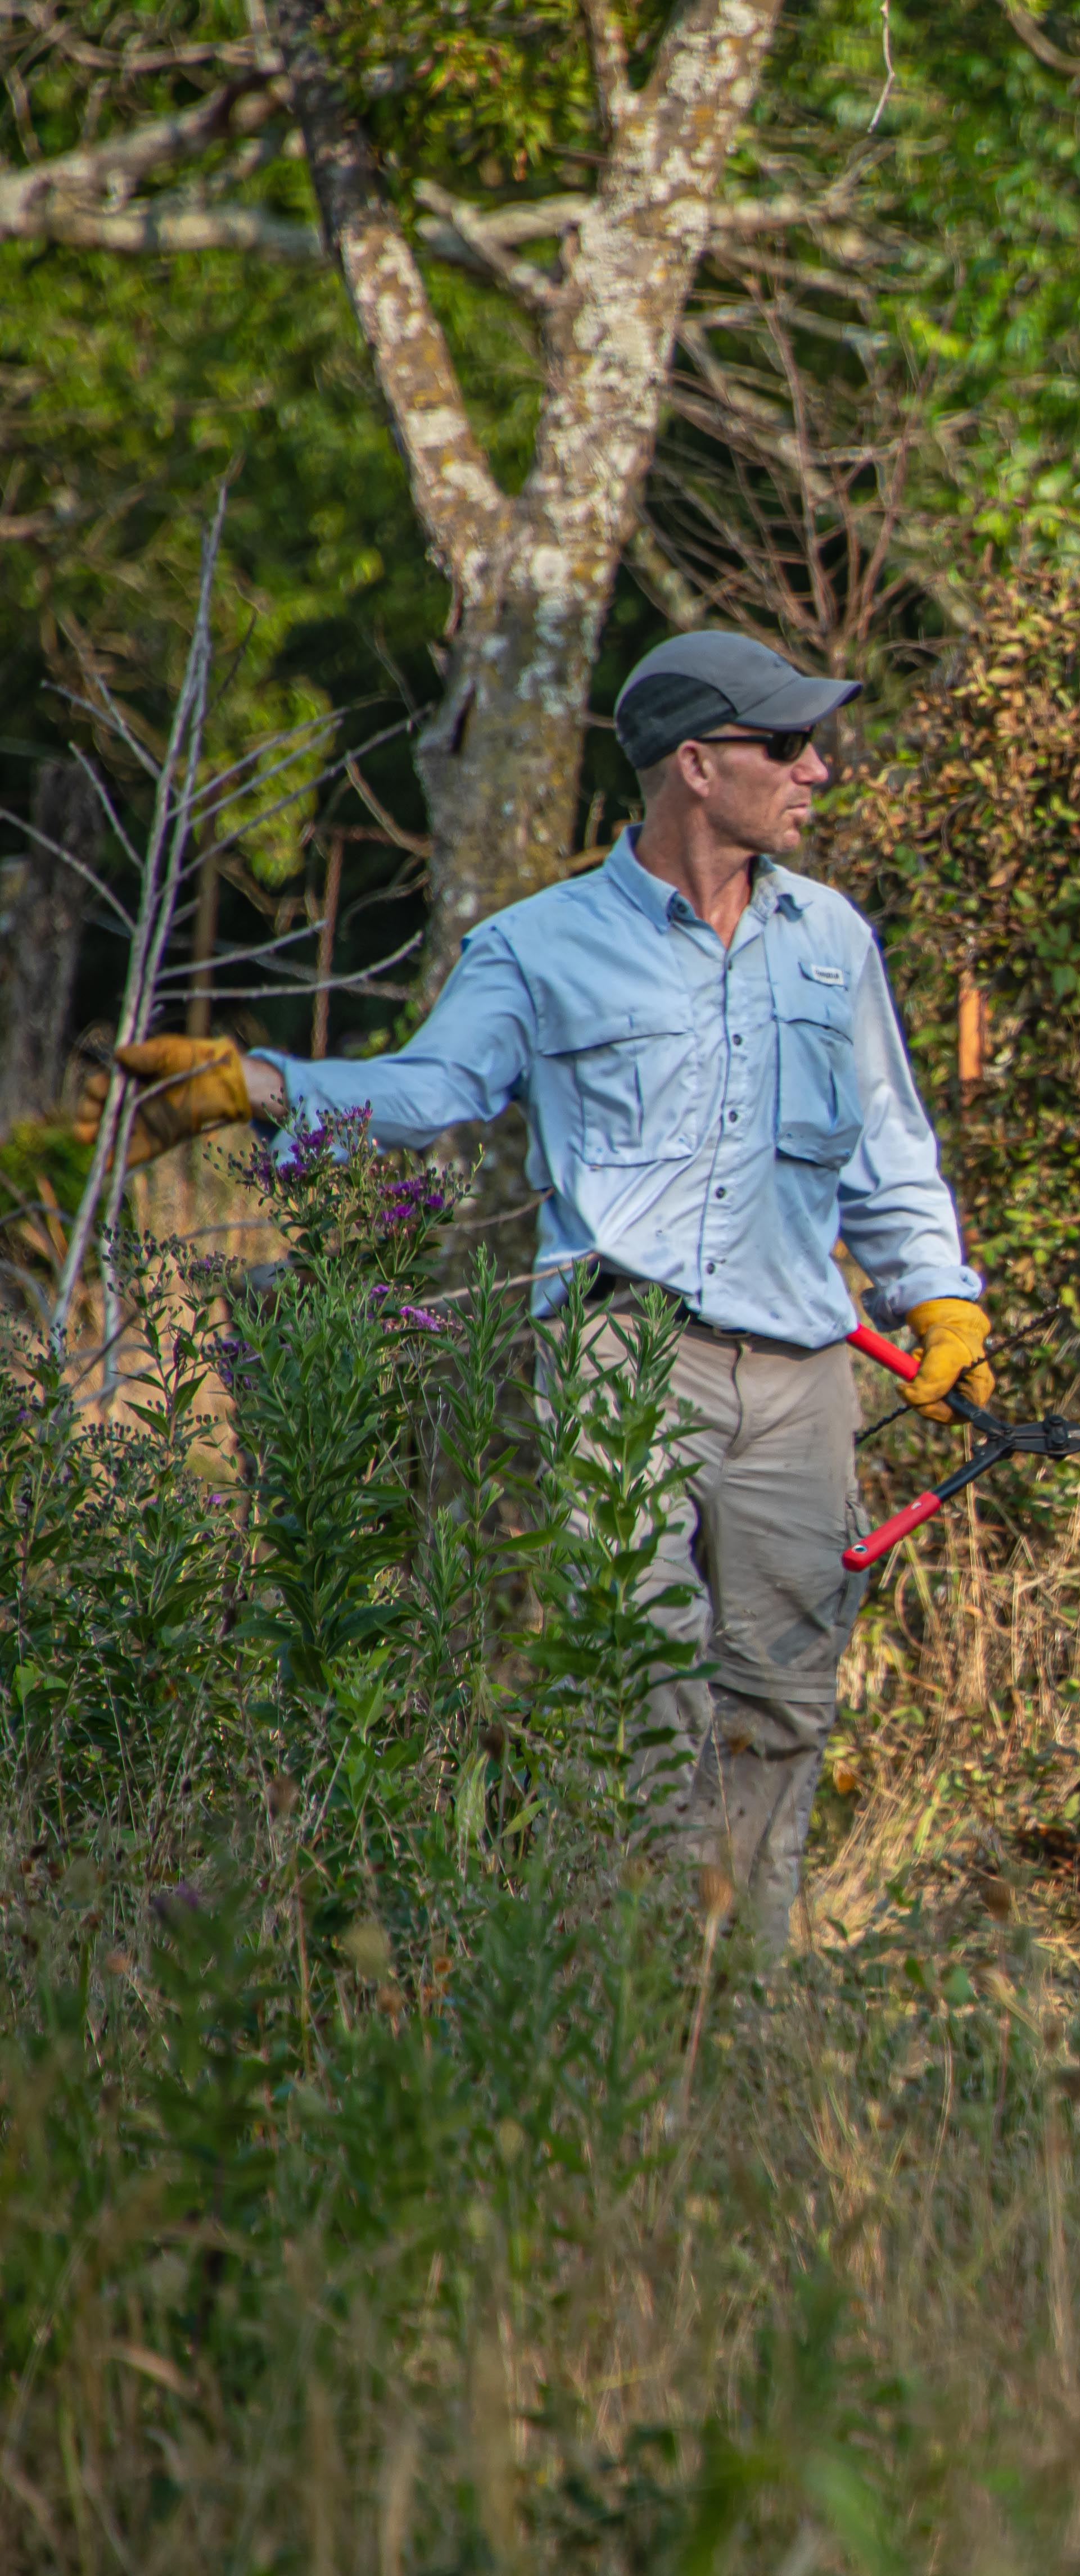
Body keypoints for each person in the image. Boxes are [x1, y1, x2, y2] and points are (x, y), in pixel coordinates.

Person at [83, 631, 990, 1951]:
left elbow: (891, 1146)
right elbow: (436, 1084)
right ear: (696, 764)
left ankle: (740, 2000)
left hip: (805, 1378)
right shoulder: (539, 945)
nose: (819, 768)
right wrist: (264, 1084)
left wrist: (940, 1301)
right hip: (627, 1358)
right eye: (786, 745)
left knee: (782, 1700)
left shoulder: (830, 940)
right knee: (646, 1685)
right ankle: (641, 1986)